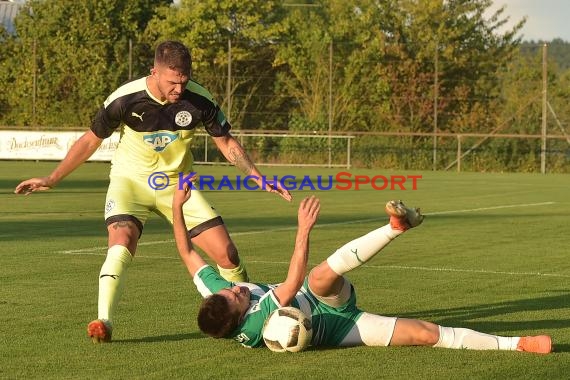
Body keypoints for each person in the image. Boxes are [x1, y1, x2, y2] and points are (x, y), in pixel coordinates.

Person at [13, 40, 292, 344]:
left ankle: (247, 312)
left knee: (228, 254)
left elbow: (226, 142)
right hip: (130, 183)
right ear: (154, 72)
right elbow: (90, 141)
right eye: (172, 82)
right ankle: (103, 320)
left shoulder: (199, 100)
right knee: (122, 241)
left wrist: (257, 176)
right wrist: (52, 178)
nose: (178, 89)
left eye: (183, 81)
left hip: (178, 186)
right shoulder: (125, 98)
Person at [172, 184, 552, 354]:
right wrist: (302, 230)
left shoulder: (216, 300)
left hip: (319, 296)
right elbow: (290, 280)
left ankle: (395, 227)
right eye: (237, 296)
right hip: (337, 329)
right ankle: (516, 344)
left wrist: (177, 206)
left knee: (321, 278)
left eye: (229, 289)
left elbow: (187, 251)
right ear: (241, 319)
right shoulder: (256, 323)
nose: (237, 289)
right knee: (423, 334)